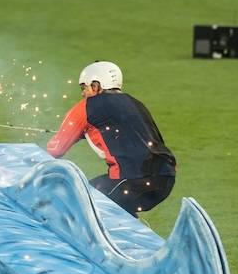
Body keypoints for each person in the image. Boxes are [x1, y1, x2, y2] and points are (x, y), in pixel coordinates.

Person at [46, 61, 176, 217]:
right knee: (116, 208)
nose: (82, 93)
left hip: (131, 179)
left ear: (96, 86)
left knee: (79, 200)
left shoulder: (87, 106)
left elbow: (55, 149)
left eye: (84, 88)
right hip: (166, 178)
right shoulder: (135, 103)